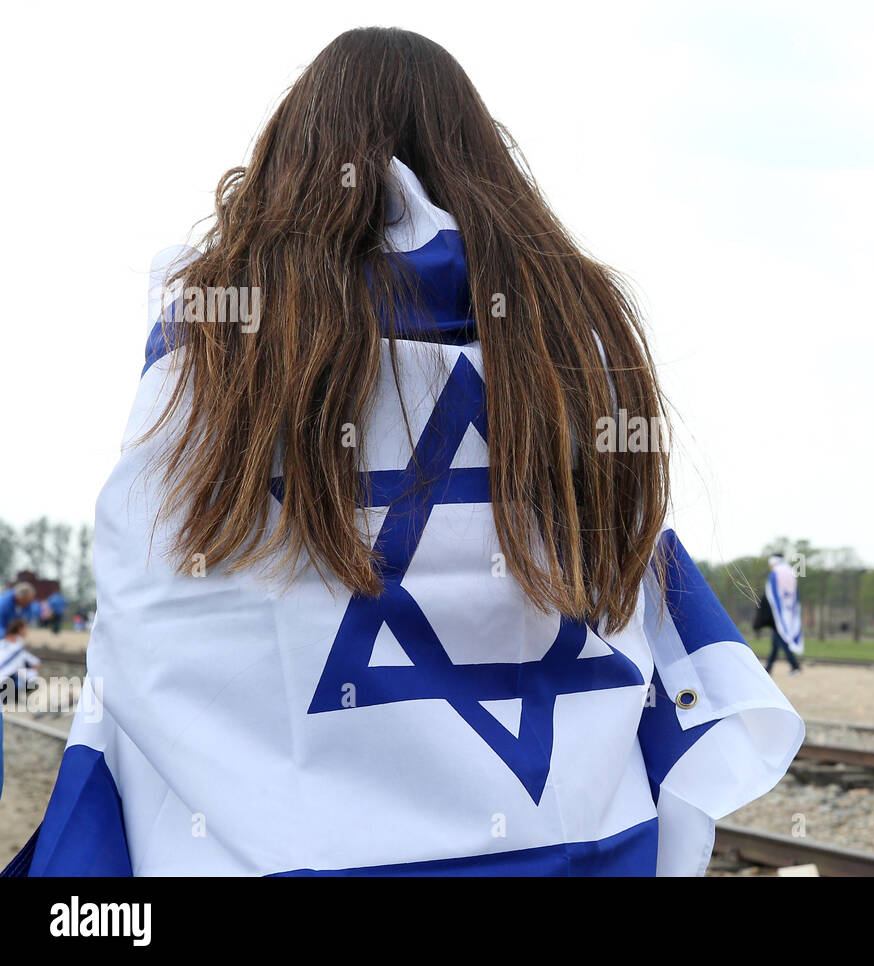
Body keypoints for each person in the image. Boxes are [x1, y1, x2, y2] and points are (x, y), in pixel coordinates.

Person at [3, 29, 803, 878]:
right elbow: (627, 572)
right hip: (564, 847)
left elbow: (152, 595)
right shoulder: (574, 326)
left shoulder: (218, 327)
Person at [762, 554, 803, 675]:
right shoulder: (790, 571)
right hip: (790, 612)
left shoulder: (776, 573)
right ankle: (769, 668)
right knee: (776, 642)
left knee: (782, 640)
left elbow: (771, 595)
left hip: (779, 614)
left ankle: (795, 666)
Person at [0, 619, 41, 692]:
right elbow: (18, 667)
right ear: (20, 629)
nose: (27, 631)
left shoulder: (5, 641)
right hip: (6, 680)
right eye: (26, 628)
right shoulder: (18, 644)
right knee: (33, 678)